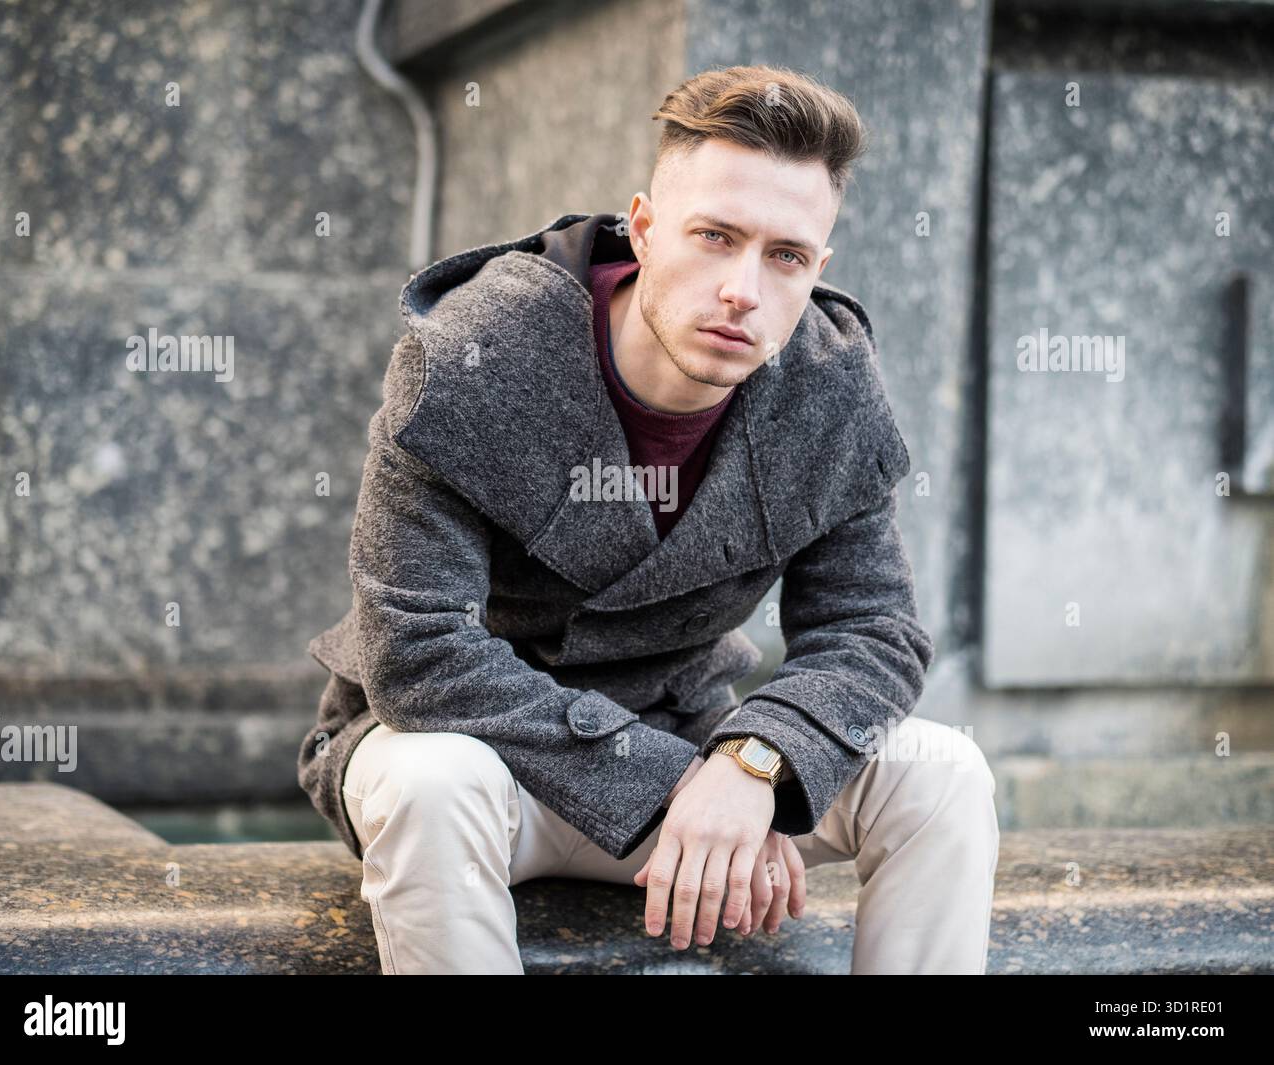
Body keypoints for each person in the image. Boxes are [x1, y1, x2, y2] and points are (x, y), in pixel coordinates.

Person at [298, 63, 999, 974]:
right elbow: (418, 651)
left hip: (698, 741)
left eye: (785, 255)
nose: (743, 288)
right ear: (643, 226)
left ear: (817, 267)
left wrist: (754, 763)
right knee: (433, 781)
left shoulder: (829, 382)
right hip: (489, 769)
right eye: (715, 236)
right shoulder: (477, 357)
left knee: (943, 774)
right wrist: (680, 785)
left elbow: (871, 629)